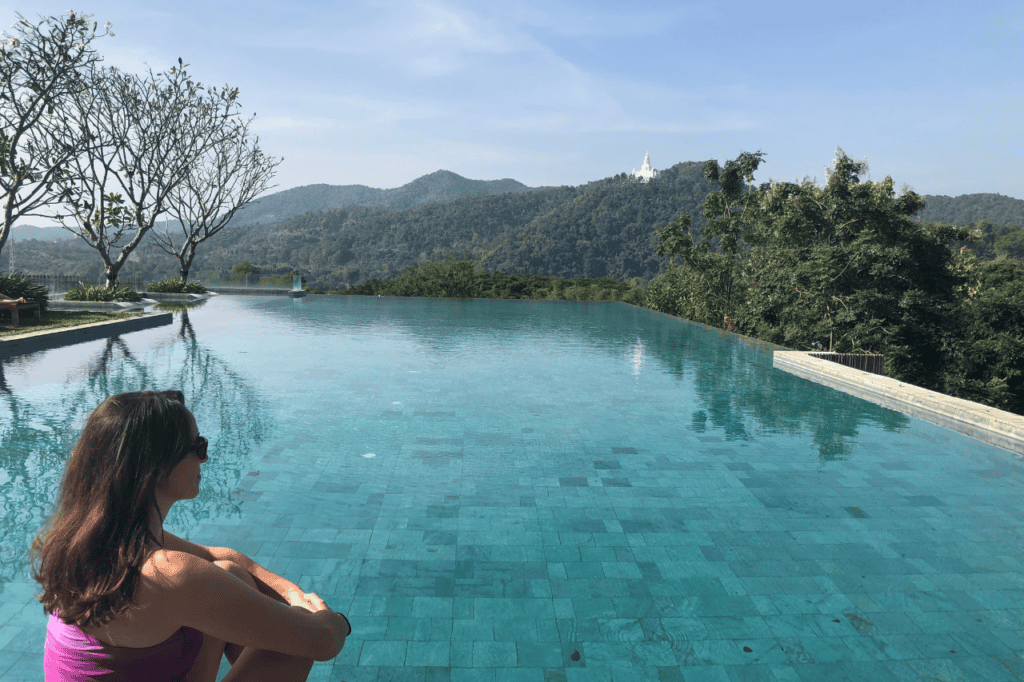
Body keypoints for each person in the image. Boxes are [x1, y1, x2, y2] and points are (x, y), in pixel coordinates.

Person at [31, 390, 350, 682]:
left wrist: (293, 594)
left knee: (231, 574)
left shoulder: (94, 539)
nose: (205, 458)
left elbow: (221, 557)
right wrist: (329, 617)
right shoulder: (167, 575)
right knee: (292, 645)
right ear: (156, 467)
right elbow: (322, 642)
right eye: (197, 447)